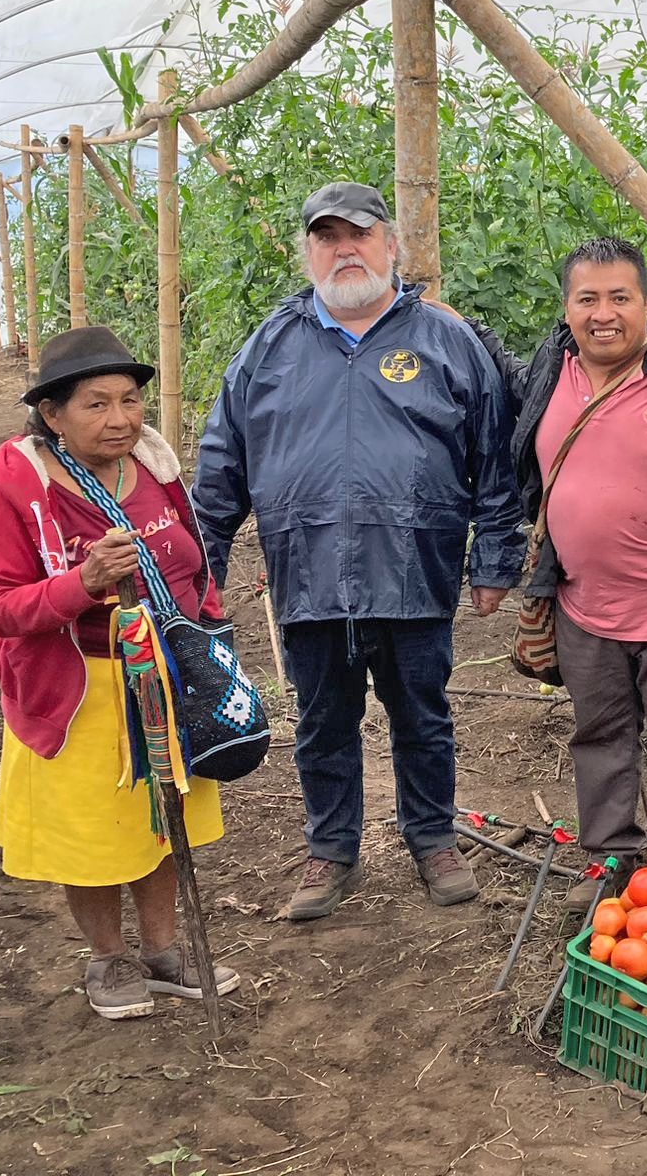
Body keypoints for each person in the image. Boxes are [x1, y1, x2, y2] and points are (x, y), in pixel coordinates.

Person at [193, 182, 524, 921]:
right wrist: (201, 565)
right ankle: (332, 848)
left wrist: (496, 558)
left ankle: (433, 837)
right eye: (327, 236)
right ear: (307, 251)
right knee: (321, 720)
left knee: (423, 715)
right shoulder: (269, 348)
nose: (345, 249)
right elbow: (222, 462)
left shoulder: (445, 340)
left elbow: (493, 455)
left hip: (415, 567)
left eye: (360, 234)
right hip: (306, 572)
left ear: (391, 246)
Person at [464, 236, 647, 908]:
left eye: (620, 297)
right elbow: (505, 386)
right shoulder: (549, 365)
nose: (604, 313)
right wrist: (449, 319)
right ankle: (613, 865)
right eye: (587, 298)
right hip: (582, 603)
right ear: (565, 310)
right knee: (599, 737)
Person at [0, 327, 243, 1017]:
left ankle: (162, 951)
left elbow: (193, 561)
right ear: (53, 414)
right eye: (96, 404)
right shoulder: (22, 488)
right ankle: (108, 961)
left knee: (161, 816)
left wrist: (208, 629)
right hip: (80, 689)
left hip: (163, 679)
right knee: (91, 836)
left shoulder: (154, 468)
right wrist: (81, 584)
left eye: (129, 400)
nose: (120, 418)